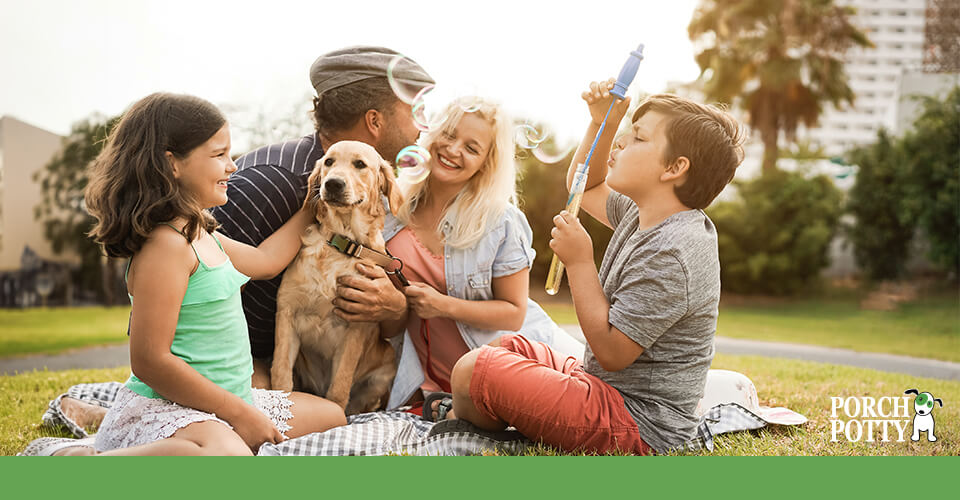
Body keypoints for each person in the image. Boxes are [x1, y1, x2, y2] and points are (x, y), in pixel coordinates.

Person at [20, 93, 346, 456]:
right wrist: (240, 415)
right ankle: (71, 457)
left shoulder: (200, 233)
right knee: (223, 455)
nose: (232, 166)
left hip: (225, 401)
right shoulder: (166, 245)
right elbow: (149, 361)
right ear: (172, 164)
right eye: (219, 155)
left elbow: (266, 259)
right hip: (170, 408)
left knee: (332, 416)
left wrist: (316, 202)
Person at [438, 79, 745, 454]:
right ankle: (472, 410)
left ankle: (474, 418)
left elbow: (613, 353)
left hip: (638, 425)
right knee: (507, 345)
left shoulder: (675, 251)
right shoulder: (644, 213)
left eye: (638, 139)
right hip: (602, 389)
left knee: (476, 371)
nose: (620, 143)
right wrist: (604, 121)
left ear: (675, 168)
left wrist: (581, 262)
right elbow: (585, 183)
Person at [208, 46, 434, 388]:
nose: (424, 126)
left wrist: (394, 307)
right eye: (416, 111)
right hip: (239, 367)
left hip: (308, 369)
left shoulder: (369, 194)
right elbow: (192, 273)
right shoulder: (274, 183)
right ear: (375, 121)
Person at [380, 97, 584, 411]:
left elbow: (514, 313)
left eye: (471, 148)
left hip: (508, 369)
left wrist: (442, 305)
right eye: (448, 135)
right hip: (427, 385)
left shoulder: (500, 222)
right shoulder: (390, 208)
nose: (453, 150)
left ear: (485, 163)